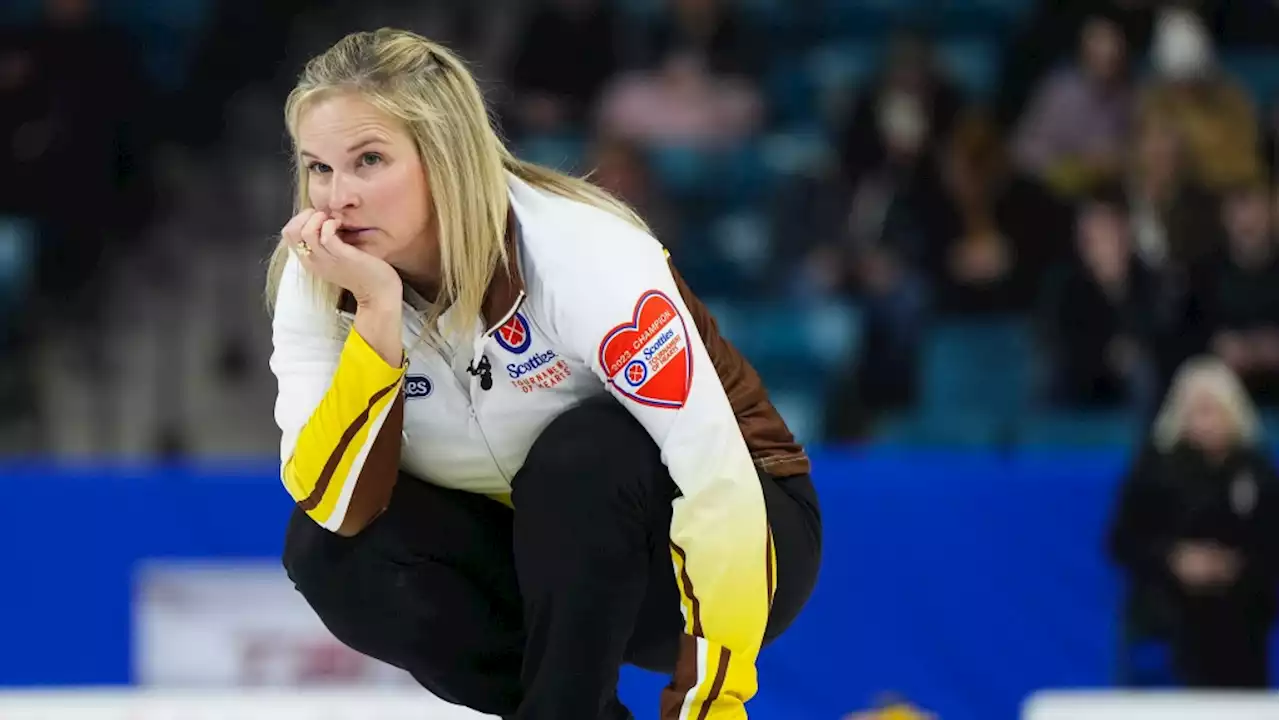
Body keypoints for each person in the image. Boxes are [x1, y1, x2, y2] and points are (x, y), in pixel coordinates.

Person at [265, 28, 822, 720]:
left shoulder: (582, 253)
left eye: (368, 160)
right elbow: (336, 504)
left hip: (732, 534)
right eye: (318, 168)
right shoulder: (318, 280)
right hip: (540, 558)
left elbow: (716, 475)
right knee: (323, 547)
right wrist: (377, 317)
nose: (336, 197)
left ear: (445, 156)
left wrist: (708, 701)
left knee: (585, 451)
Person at [1108, 357, 1280, 688]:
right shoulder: (1155, 468)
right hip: (1167, 609)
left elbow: (1271, 542)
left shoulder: (1257, 470)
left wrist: (1235, 565)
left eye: (1213, 409)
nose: (1205, 421)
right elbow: (1122, 540)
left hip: (1242, 614)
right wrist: (1175, 559)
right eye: (1196, 409)